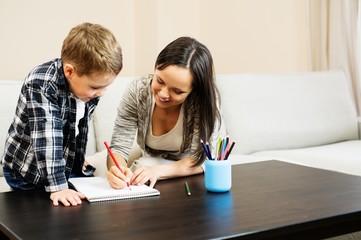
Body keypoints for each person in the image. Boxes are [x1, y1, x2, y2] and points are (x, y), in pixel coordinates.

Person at [1, 22, 123, 206]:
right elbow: (47, 138)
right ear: (69, 71)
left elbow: (79, 128)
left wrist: (77, 160)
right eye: (96, 87)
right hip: (27, 172)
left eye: (106, 87)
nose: (101, 93)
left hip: (61, 168)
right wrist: (58, 186)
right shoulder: (42, 83)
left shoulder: (87, 90)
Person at [106, 36, 226, 189]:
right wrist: (116, 170)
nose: (163, 94)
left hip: (184, 171)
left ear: (193, 92)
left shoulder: (203, 103)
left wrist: (157, 172)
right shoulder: (138, 91)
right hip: (150, 158)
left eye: (177, 91)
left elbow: (205, 158)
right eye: (160, 81)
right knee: (100, 166)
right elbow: (118, 147)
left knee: (143, 164)